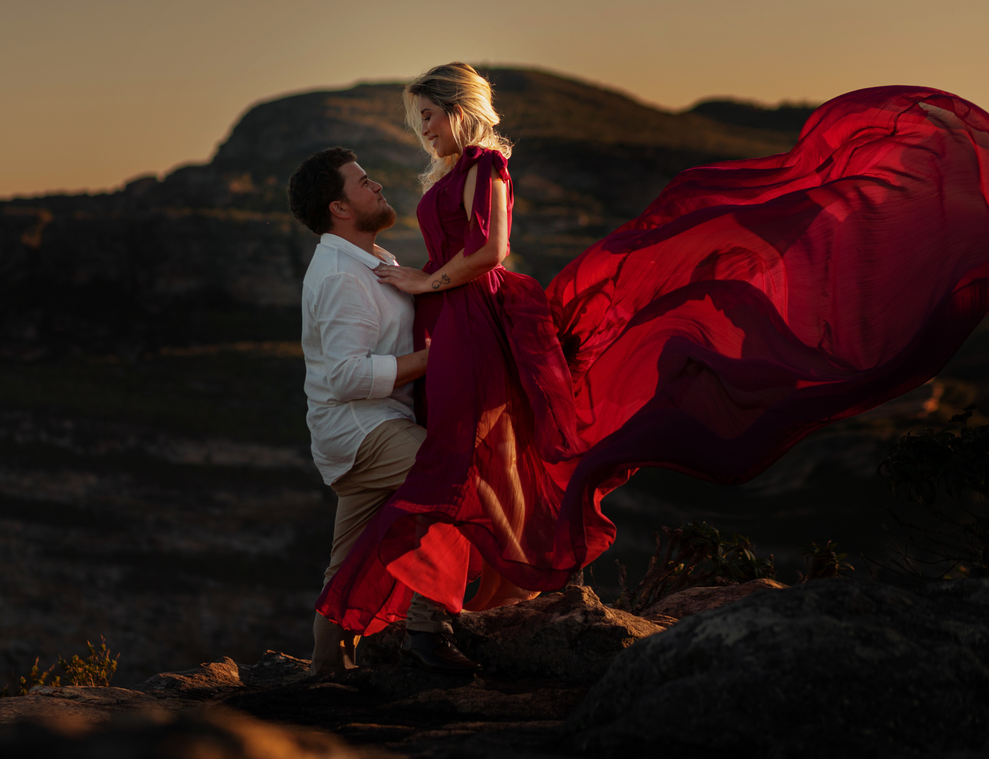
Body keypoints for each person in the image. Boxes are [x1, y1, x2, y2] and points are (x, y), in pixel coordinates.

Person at [316, 64, 989, 638]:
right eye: (418, 121)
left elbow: (491, 251)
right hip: (453, 322)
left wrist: (422, 279)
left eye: (429, 115)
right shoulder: (450, 171)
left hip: (474, 319)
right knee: (472, 461)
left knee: (463, 461)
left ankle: (423, 618)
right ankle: (445, 615)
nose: (422, 129)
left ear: (461, 110)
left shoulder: (487, 164)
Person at [288, 147, 482, 674]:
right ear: (340, 209)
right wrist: (437, 358)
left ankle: (325, 667)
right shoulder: (341, 277)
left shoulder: (376, 262)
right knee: (456, 479)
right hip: (363, 429)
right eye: (363, 182)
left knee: (348, 557)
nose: (377, 187)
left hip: (366, 430)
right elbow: (347, 377)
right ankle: (425, 633)